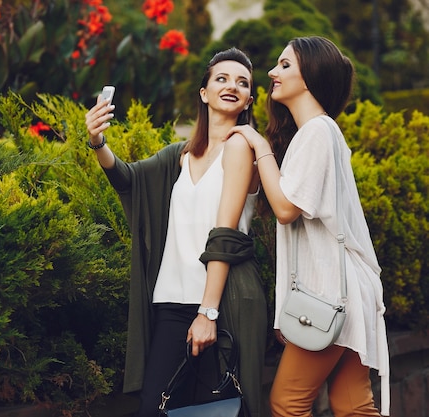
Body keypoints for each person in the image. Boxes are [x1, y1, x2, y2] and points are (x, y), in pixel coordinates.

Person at [85, 47, 268, 417]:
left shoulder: (245, 149)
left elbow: (225, 233)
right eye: (222, 78)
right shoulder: (178, 156)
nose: (232, 86)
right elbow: (127, 179)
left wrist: (208, 313)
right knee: (156, 409)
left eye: (242, 82)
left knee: (220, 410)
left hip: (225, 303)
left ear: (249, 98)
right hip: (171, 302)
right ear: (204, 92)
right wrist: (97, 141)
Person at [226, 36, 390, 416]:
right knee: (352, 406)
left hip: (331, 294)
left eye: (284, 65)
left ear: (311, 74)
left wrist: (255, 141)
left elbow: (286, 209)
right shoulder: (316, 133)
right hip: (347, 293)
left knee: (287, 403)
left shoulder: (317, 131)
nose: (272, 72)